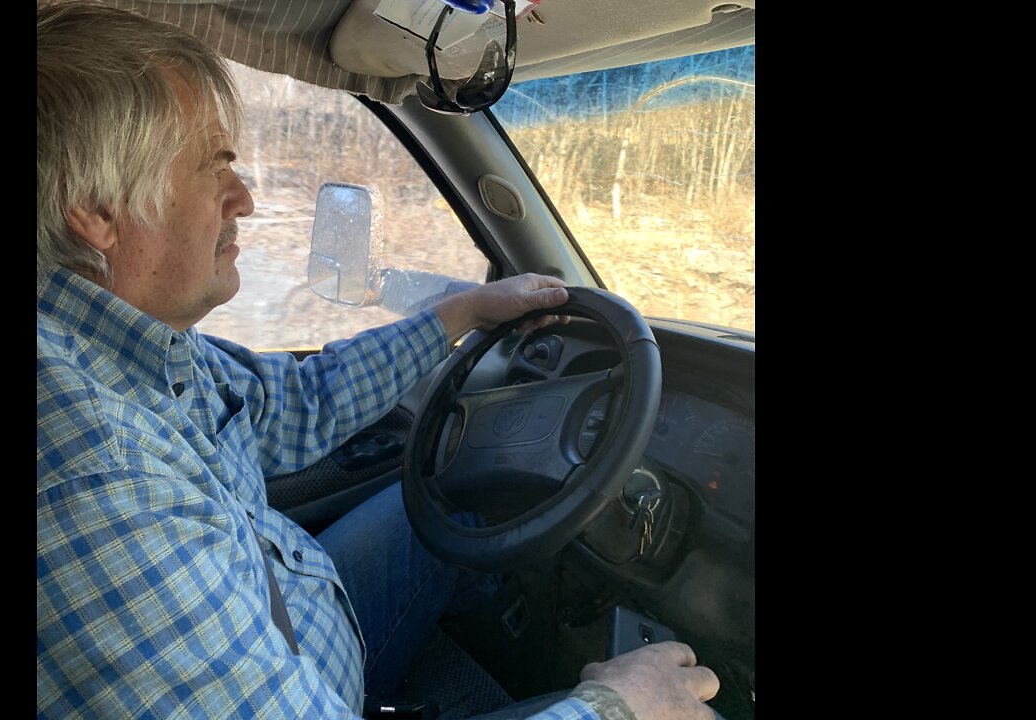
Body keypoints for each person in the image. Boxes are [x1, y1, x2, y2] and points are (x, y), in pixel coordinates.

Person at [36, 2, 721, 719]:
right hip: (316, 688)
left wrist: (461, 314)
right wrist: (616, 706)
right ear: (96, 209)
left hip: (300, 632)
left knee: (447, 492)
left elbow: (293, 404)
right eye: (215, 168)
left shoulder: (128, 350)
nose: (244, 198)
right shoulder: (91, 478)